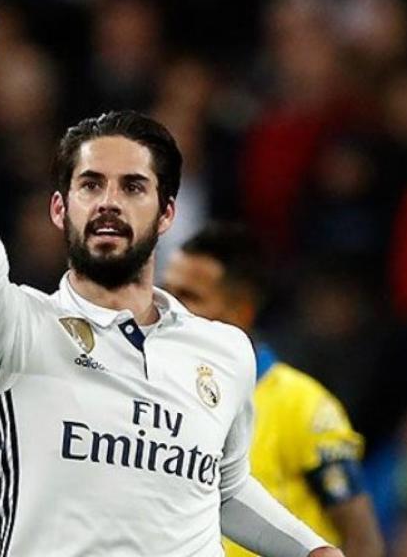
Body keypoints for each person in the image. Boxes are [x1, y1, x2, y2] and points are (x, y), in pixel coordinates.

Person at [0, 20, 343, 557]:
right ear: (60, 208)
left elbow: (224, 489)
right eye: (90, 184)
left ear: (166, 213)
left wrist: (314, 551)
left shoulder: (224, 351)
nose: (109, 201)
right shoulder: (13, 331)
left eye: (133, 187)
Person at [163, 223, 385, 557]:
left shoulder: (303, 405)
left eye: (190, 297)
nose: (170, 309)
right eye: (166, 292)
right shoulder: (156, 395)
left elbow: (363, 539)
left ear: (241, 311)